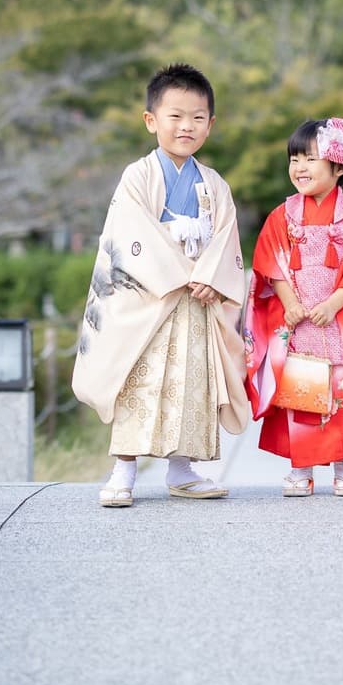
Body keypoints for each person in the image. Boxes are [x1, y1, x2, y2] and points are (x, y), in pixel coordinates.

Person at [72, 63, 250, 508]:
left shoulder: (214, 184)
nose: (186, 126)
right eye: (175, 115)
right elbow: (130, 233)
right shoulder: (138, 176)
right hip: (150, 300)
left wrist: (211, 278)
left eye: (197, 117)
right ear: (151, 120)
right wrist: (186, 275)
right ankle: (124, 470)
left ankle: (182, 469)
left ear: (211, 124)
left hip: (196, 303)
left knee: (193, 383)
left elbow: (226, 237)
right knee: (138, 380)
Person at [244, 117, 343, 497]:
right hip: (298, 322)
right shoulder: (283, 215)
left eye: (310, 159)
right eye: (294, 159)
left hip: (338, 318)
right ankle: (301, 469)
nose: (300, 168)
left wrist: (334, 302)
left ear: (340, 166)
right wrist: (289, 302)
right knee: (302, 393)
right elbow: (270, 262)